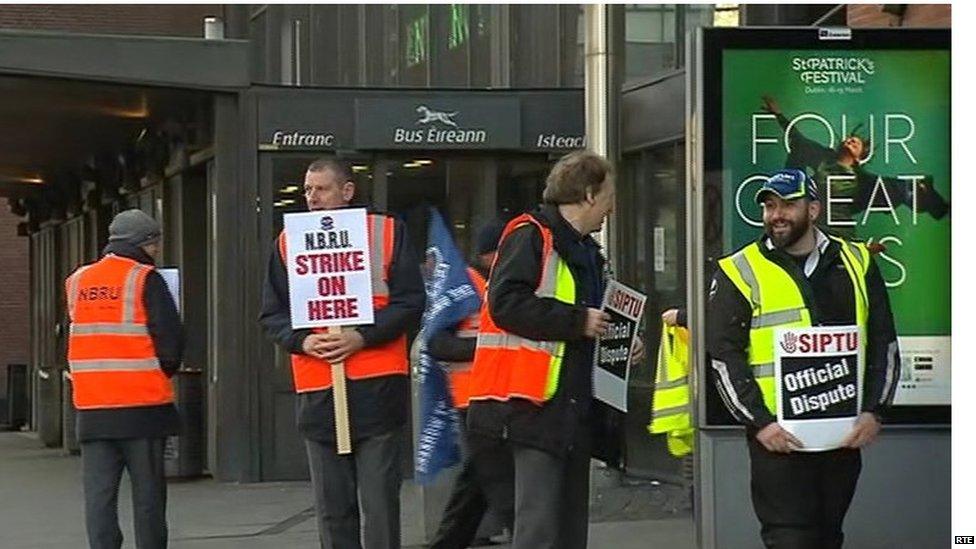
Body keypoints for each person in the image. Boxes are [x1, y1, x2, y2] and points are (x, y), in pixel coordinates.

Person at [707, 168, 900, 549]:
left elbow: (884, 343)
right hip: (779, 440)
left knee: (828, 536)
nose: (776, 214)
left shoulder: (857, 262)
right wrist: (760, 424)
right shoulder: (740, 269)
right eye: (769, 206)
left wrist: (875, 411)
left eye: (788, 205)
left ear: (814, 210)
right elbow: (723, 355)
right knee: (790, 539)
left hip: (842, 438)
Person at [466, 151, 644, 549]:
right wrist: (578, 321)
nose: (611, 208)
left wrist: (619, 342)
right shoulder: (531, 235)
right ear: (587, 194)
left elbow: (591, 322)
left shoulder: (587, 253)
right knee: (539, 531)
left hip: (570, 408)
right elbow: (506, 303)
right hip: (529, 406)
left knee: (566, 532)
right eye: (609, 196)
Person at [259, 158, 425, 549]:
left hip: (377, 385)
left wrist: (361, 338)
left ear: (347, 191)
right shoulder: (288, 242)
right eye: (307, 190)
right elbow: (272, 315)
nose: (312, 198)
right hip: (318, 388)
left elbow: (410, 302)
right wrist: (302, 341)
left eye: (321, 189)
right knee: (333, 508)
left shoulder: (386, 232)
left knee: (379, 505)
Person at [65, 209, 184, 549]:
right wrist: (161, 371)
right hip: (142, 408)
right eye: (156, 243)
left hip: (92, 410)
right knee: (148, 499)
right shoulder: (146, 278)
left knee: (99, 499)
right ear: (146, 243)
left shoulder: (78, 281)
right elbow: (171, 343)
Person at [428, 219, 514, 549]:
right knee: (499, 479)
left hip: (496, 393)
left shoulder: (497, 285)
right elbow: (437, 343)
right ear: (492, 255)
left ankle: (448, 542)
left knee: (479, 478)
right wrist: (488, 348)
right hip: (473, 397)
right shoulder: (464, 285)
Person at [760, 94, 949, 239]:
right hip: (813, 227)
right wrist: (779, 115)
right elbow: (798, 140)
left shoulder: (864, 182)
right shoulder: (823, 158)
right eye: (850, 138)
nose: (850, 140)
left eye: (856, 143)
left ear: (860, 158)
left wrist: (922, 192)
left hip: (840, 233)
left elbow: (895, 188)